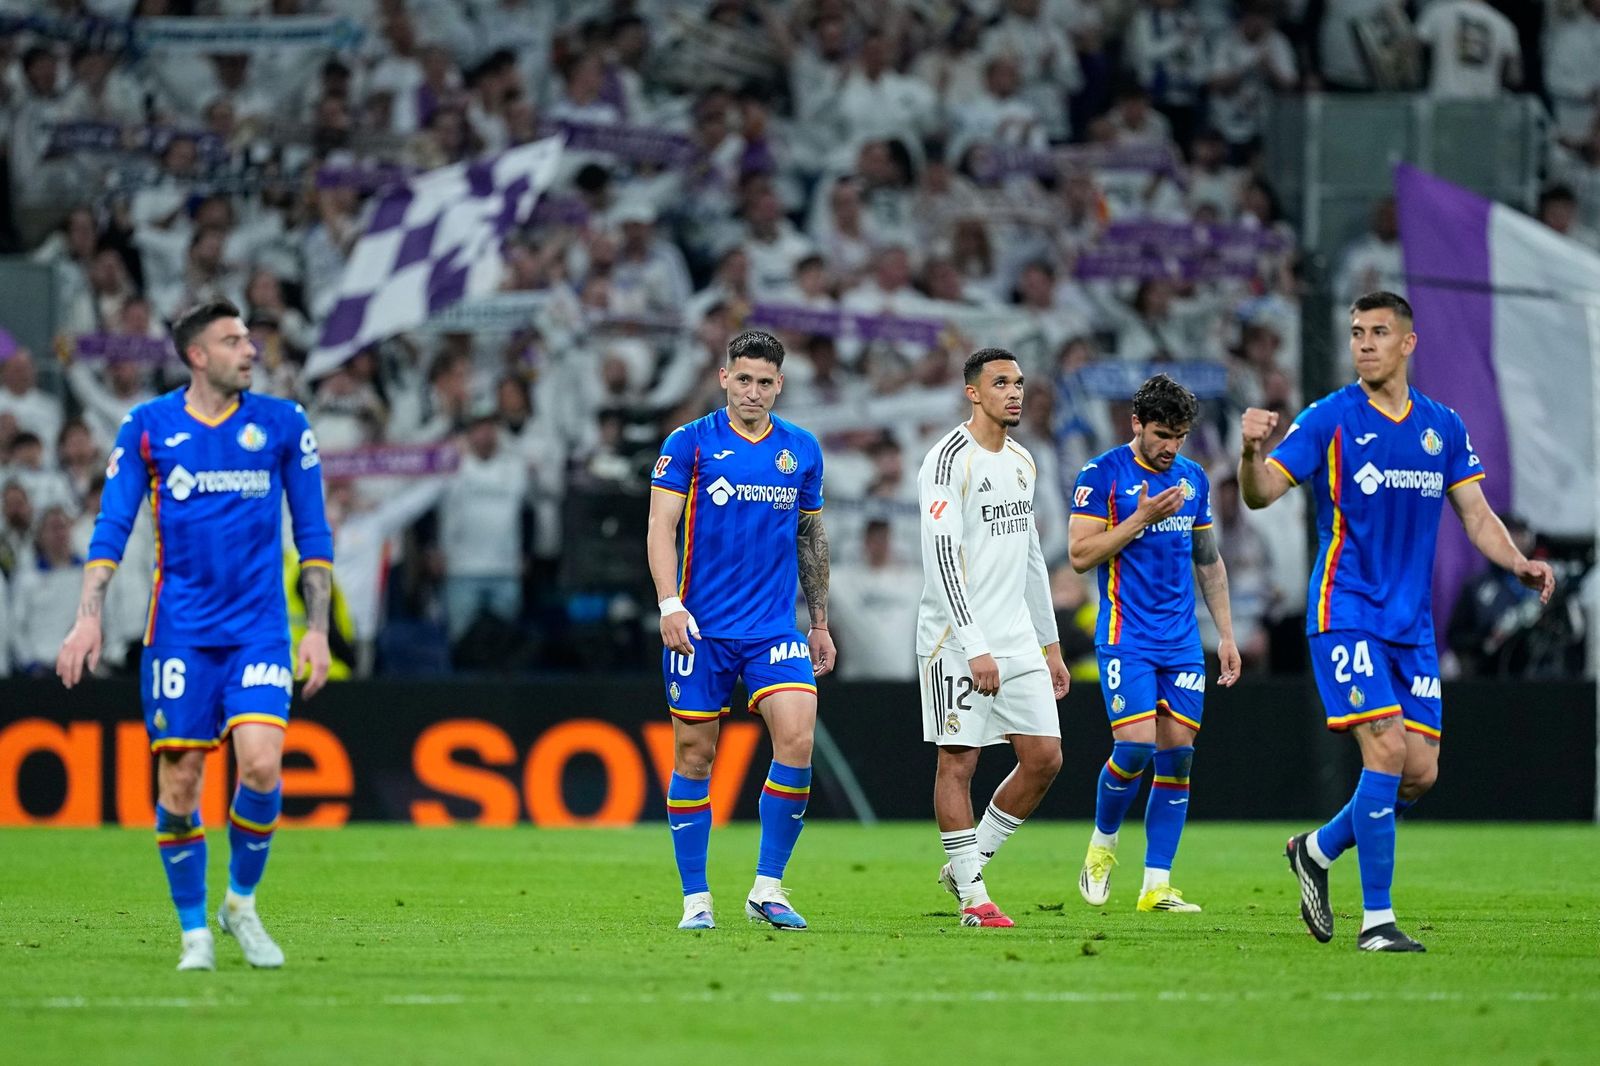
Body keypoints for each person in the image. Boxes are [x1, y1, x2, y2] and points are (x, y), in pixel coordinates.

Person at [1239, 291, 1553, 952]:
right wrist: (1248, 453)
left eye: (1379, 332)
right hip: (1344, 611)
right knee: (1384, 749)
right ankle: (1377, 922)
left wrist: (1518, 562)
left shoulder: (1443, 426)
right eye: (1356, 333)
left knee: (1420, 772)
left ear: (1408, 343)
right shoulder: (1329, 417)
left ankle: (1317, 852)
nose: (1364, 344)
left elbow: (1476, 515)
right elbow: (1262, 492)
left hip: (1410, 628)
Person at [56, 300, 334, 972]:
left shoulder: (282, 423)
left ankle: (239, 904)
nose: (250, 350)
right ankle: (194, 935)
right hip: (179, 634)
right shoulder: (148, 427)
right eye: (233, 340)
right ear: (197, 355)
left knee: (262, 762)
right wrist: (88, 613)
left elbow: (314, 532)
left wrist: (318, 629)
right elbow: (113, 524)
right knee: (181, 779)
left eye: (249, 338)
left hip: (261, 629)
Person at [646, 330, 834, 932]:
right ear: (724, 377)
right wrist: (670, 603)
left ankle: (767, 888)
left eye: (765, 381)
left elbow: (810, 538)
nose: (754, 391)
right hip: (699, 630)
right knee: (695, 758)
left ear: (780, 384)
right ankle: (695, 898)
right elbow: (658, 529)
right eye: (743, 378)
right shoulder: (690, 443)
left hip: (774, 629)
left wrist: (820, 621)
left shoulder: (801, 449)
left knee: (798, 739)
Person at [1069, 374, 1241, 914]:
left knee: (1179, 759)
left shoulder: (1193, 480)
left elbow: (1208, 560)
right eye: (1162, 434)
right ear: (1137, 424)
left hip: (1183, 641)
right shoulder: (1102, 475)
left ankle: (1156, 885)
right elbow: (1079, 554)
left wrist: (1227, 635)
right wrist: (1140, 517)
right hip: (1127, 637)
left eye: (1180, 436)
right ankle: (1102, 846)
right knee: (1136, 747)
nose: (1170, 447)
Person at [917, 347, 1072, 929]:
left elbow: (1031, 557)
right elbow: (941, 557)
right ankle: (973, 898)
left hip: (1016, 638)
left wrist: (1049, 644)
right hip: (954, 641)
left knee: (1044, 758)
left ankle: (969, 860)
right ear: (972, 393)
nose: (1014, 392)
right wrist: (974, 643)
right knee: (958, 762)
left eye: (1019, 383)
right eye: (1000, 383)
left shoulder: (1023, 462)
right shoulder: (946, 461)